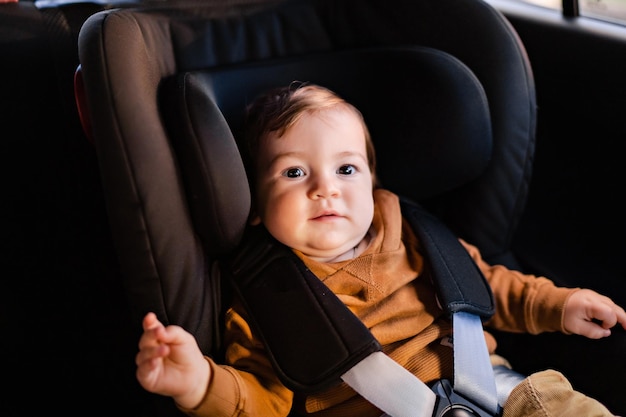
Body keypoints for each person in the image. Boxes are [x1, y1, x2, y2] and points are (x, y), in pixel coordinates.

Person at [135, 82, 626, 417]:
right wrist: (199, 383)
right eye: (293, 173)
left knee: (555, 402)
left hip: (502, 394)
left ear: (372, 182)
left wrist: (558, 304)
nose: (324, 189)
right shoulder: (268, 297)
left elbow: (492, 286)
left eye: (345, 170)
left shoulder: (416, 233)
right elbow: (263, 399)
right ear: (255, 205)